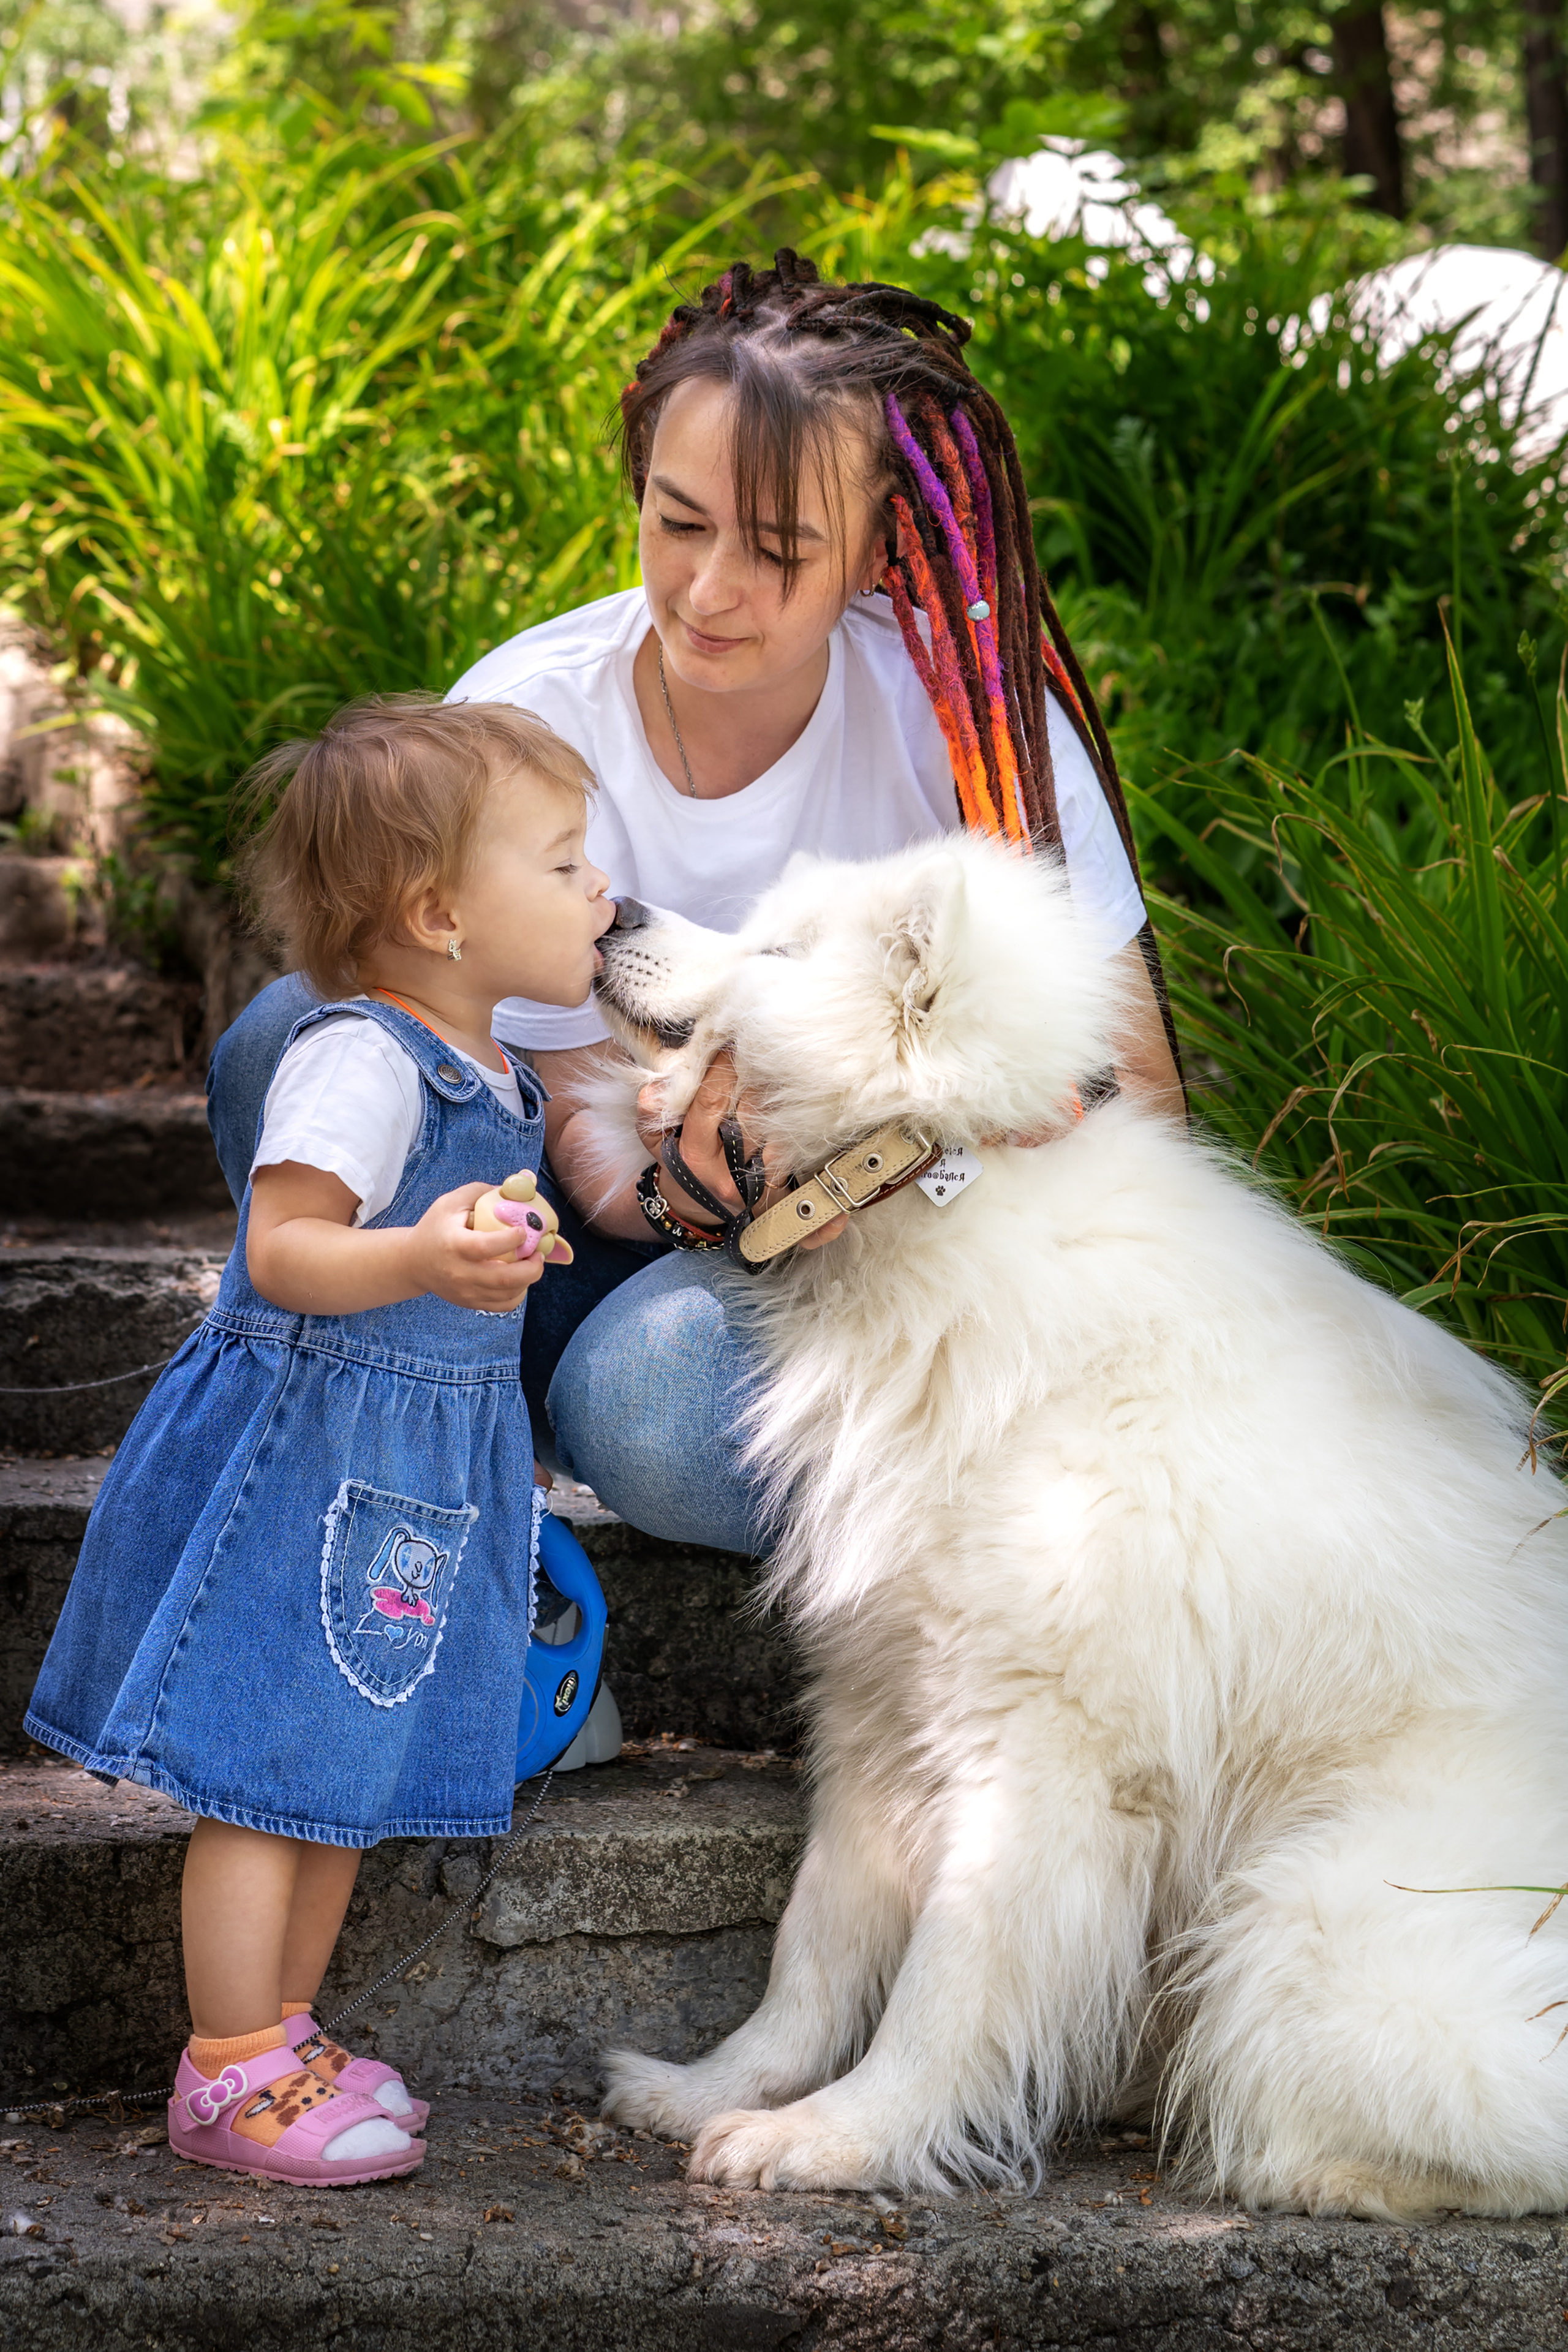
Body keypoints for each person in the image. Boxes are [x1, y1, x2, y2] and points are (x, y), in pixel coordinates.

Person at [208, 248, 1183, 1561]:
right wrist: (689, 1189)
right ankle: (446, 1499)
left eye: (779, 549)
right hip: (542, 1237)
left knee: (661, 1404)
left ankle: (525, 1482)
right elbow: (551, 1123)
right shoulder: (525, 716)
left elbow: (1133, 1097)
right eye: (677, 523)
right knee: (298, 1042)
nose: (709, 591)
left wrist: (867, 1163)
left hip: (867, 1277)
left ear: (879, 548)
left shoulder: (975, 737)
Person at [26, 699, 611, 2186]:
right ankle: (225, 2070)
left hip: (413, 1468)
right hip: (312, 1465)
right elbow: (283, 1248)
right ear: (438, 913)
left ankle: (285, 2034)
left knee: (341, 1766)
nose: (601, 891)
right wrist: (421, 1255)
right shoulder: (360, 1060)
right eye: (562, 865)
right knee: (264, 1759)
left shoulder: (490, 1072)